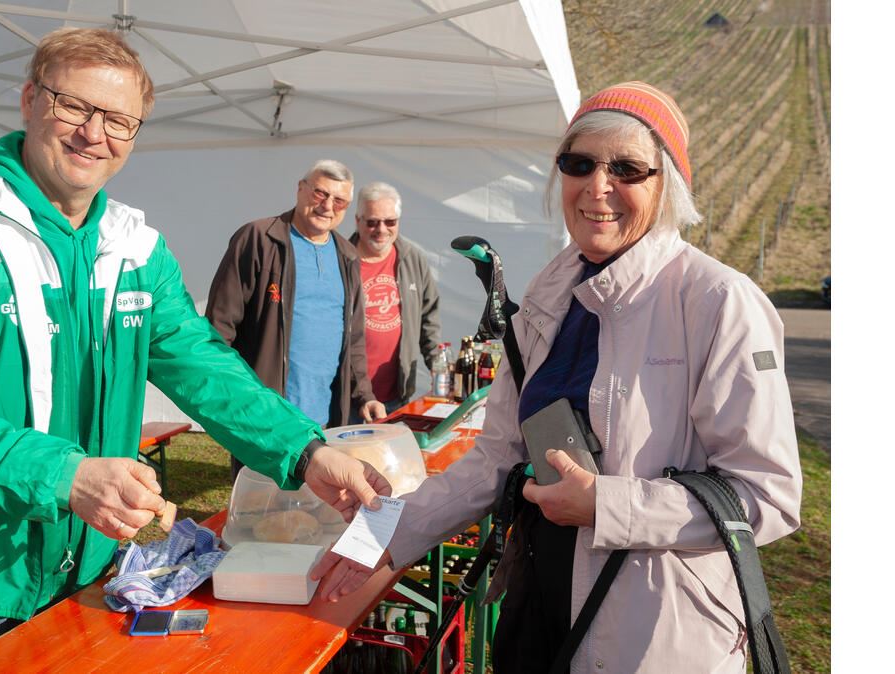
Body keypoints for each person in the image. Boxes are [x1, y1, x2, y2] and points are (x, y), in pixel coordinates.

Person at [0, 27, 389, 673]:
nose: (92, 134)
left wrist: (304, 451)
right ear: (29, 100)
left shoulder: (134, 247)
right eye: (73, 105)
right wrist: (65, 476)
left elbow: (202, 364)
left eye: (119, 120)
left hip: (86, 566)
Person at [311, 81, 803, 673]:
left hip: (650, 633)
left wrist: (607, 505)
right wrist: (382, 537)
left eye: (627, 168)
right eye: (580, 163)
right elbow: (494, 459)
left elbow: (767, 496)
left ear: (666, 183)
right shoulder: (550, 293)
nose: (599, 186)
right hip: (538, 606)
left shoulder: (718, 303)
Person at [206, 160, 387, 478]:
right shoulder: (259, 239)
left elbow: (353, 338)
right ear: (301, 189)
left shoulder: (347, 255)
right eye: (320, 193)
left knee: (314, 517)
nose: (327, 206)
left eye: (339, 200)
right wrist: (232, 399)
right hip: (267, 416)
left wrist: (365, 396)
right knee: (260, 516)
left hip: (325, 420)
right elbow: (219, 327)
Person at [348, 181, 441, 416]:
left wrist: (438, 367)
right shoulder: (341, 260)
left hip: (396, 396)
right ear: (357, 220)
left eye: (390, 222)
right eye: (372, 222)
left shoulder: (413, 258)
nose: (381, 229)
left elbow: (428, 319)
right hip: (348, 399)